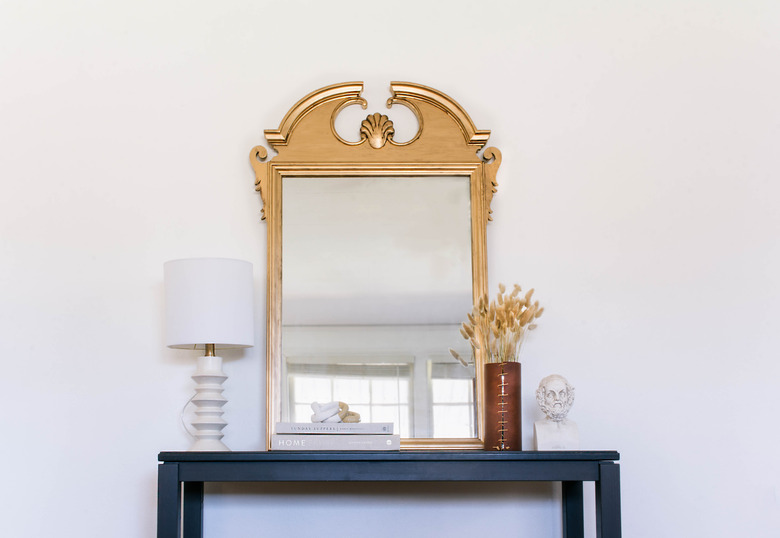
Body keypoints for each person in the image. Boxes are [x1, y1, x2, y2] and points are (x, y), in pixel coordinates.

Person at [534, 374, 579, 450]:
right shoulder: (538, 427)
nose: (557, 398)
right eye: (551, 394)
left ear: (568, 396)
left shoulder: (573, 426)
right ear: (542, 398)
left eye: (562, 394)